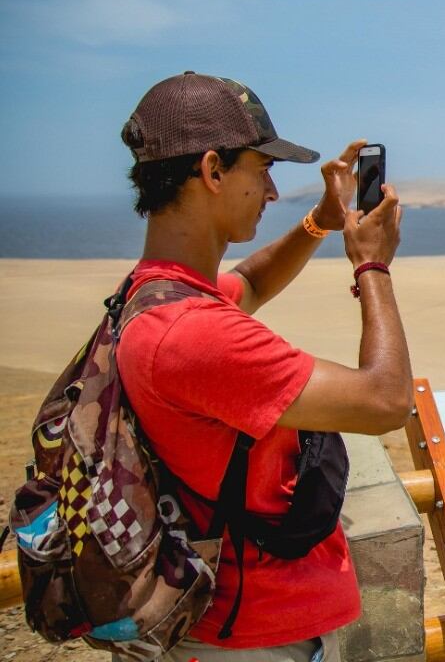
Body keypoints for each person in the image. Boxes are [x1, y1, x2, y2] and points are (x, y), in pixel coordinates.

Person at [115, 71, 412, 661]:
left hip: (234, 631)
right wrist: (372, 268)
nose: (273, 192)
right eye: (263, 169)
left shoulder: (155, 296)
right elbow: (386, 400)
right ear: (212, 171)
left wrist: (322, 223)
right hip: (248, 640)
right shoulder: (194, 334)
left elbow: (249, 281)